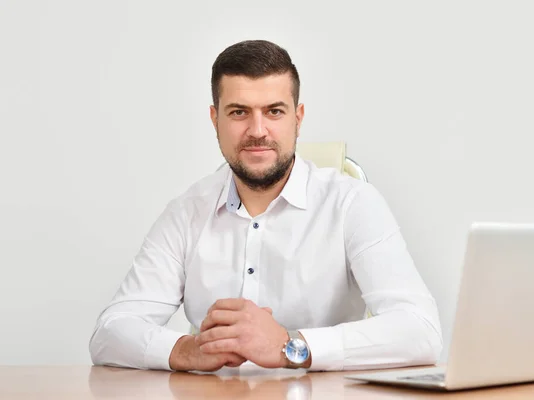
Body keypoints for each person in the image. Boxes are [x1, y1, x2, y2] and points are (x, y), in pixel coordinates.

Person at [89, 39, 443, 372]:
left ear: (298, 118)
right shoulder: (187, 212)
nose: (257, 130)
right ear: (215, 120)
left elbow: (421, 330)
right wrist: (187, 349)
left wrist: (293, 347)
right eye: (239, 112)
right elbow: (110, 332)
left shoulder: (352, 204)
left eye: (274, 111)